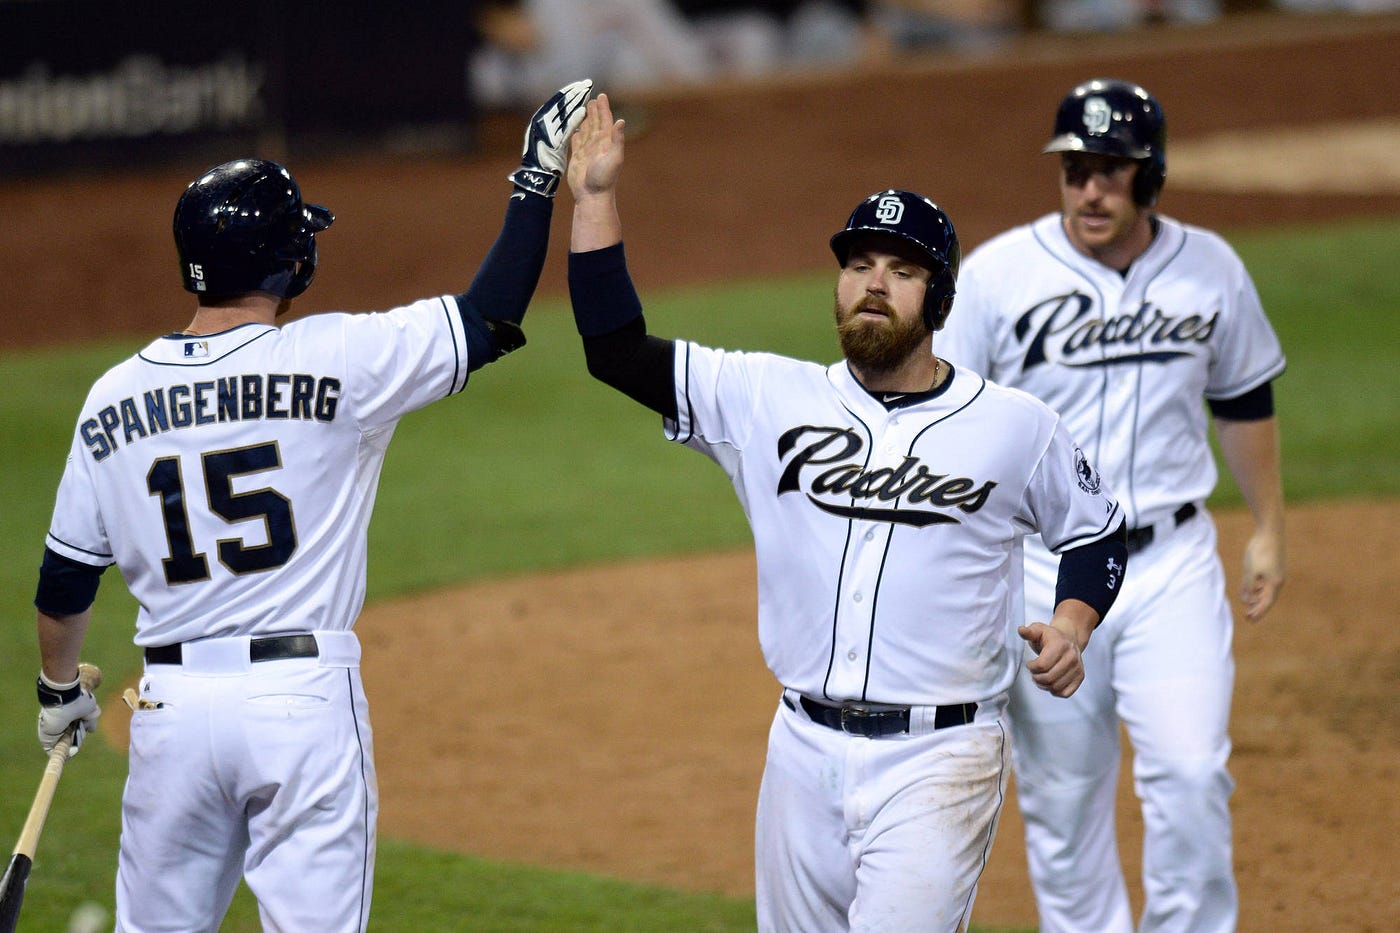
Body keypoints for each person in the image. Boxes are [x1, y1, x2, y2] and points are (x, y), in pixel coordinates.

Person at [30, 79, 594, 932]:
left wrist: (59, 690)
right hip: (299, 705)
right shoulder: (339, 360)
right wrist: (533, 181)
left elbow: (66, 577)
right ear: (290, 262)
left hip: (168, 718)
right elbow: (488, 318)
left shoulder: (112, 397)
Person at [564, 92, 1129, 931]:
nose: (874, 284)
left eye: (901, 271)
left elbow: (1097, 528)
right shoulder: (766, 395)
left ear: (937, 301)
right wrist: (595, 197)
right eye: (860, 264)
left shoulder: (1016, 427)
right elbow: (613, 348)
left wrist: (1075, 621)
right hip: (800, 752)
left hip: (941, 758)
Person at [936, 77, 1287, 932]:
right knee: (1063, 798)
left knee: (1193, 771)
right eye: (1075, 169)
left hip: (1169, 563)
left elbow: (1242, 401)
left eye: (1113, 171)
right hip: (1039, 577)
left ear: (1151, 177)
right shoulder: (996, 276)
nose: (1090, 189)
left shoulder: (1211, 268)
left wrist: (1270, 525)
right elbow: (944, 418)